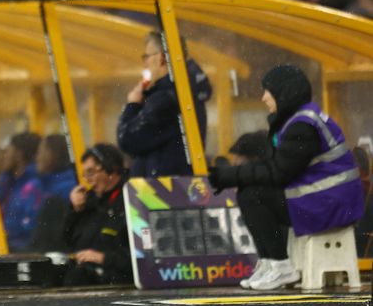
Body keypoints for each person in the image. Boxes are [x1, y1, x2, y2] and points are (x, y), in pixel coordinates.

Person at [209, 64, 365, 290]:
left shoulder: (302, 125)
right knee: (251, 192)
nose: (263, 98)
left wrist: (232, 176)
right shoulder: (297, 120)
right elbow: (277, 168)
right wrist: (235, 176)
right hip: (327, 201)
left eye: (267, 91)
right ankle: (270, 262)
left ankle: (281, 266)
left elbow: (279, 173)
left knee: (254, 195)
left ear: (283, 92)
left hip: (332, 206)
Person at [117, 30, 212, 178]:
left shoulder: (166, 99)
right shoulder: (185, 92)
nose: (145, 63)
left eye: (146, 56)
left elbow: (128, 139)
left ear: (161, 58)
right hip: (178, 188)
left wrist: (132, 105)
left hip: (162, 194)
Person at [62, 143, 132, 286]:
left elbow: (143, 257)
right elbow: (67, 241)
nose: (87, 180)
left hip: (117, 282)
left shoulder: (133, 199)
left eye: (91, 172)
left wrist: (103, 258)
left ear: (111, 169)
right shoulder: (90, 202)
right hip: (86, 277)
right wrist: (75, 211)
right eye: (85, 174)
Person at [0, 132, 43, 252]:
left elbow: (28, 228)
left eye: (8, 151)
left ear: (18, 154)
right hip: (4, 245)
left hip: (18, 250)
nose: (4, 156)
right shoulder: (11, 182)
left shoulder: (33, 187)